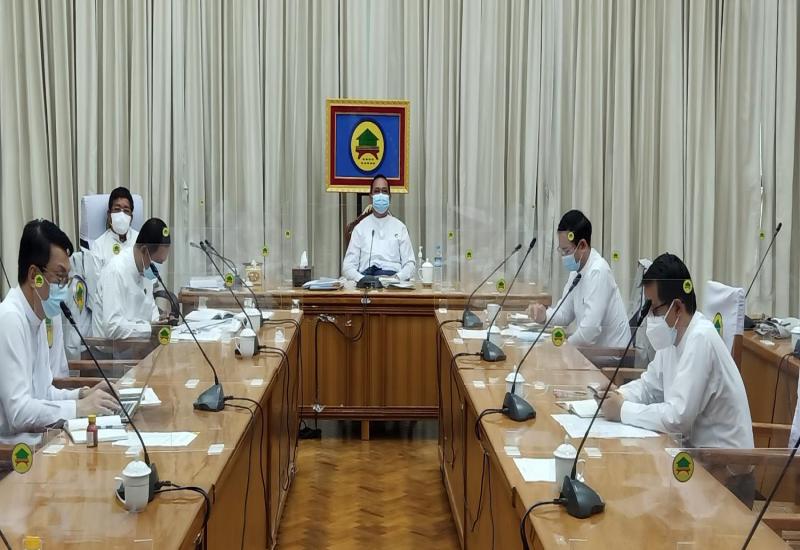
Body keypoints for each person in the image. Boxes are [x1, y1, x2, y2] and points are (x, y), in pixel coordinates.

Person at [600, 253, 754, 449]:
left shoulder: (700, 338)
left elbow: (678, 418)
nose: (649, 316)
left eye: (654, 309)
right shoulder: (671, 336)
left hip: (724, 463)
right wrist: (619, 395)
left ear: (678, 307)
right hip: (692, 451)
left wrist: (623, 410)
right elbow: (649, 387)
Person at [0, 220, 118, 444]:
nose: (64, 287)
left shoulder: (38, 316)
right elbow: (19, 413)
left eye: (66, 279)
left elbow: (45, 393)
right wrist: (78, 408)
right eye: (59, 277)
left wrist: (82, 394)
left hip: (41, 437)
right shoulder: (10, 319)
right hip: (15, 453)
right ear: (34, 275)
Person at [529, 210, 630, 348]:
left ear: (582, 245)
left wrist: (564, 347)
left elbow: (589, 332)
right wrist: (544, 316)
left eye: (567, 251)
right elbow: (564, 313)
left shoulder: (598, 271)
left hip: (611, 355)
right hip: (591, 352)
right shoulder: (576, 270)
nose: (563, 256)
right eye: (561, 251)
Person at [93, 218, 171, 340]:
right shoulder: (116, 270)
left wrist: (159, 321)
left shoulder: (145, 269)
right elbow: (112, 328)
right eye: (158, 262)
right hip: (112, 349)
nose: (158, 268)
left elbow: (150, 310)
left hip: (139, 345)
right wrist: (149, 329)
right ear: (144, 251)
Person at [342, 175, 415, 283]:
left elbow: (410, 264)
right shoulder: (360, 228)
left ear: (389, 197)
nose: (381, 195)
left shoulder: (400, 227)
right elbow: (348, 267)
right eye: (376, 191)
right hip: (367, 284)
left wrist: (396, 278)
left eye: (384, 191)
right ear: (370, 197)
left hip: (394, 284)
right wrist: (362, 279)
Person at [87, 187, 139, 311]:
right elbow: (94, 291)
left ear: (131, 217)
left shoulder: (140, 242)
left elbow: (148, 283)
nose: (121, 214)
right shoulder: (98, 246)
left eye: (126, 210)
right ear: (109, 215)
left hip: (137, 310)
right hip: (108, 312)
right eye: (117, 209)